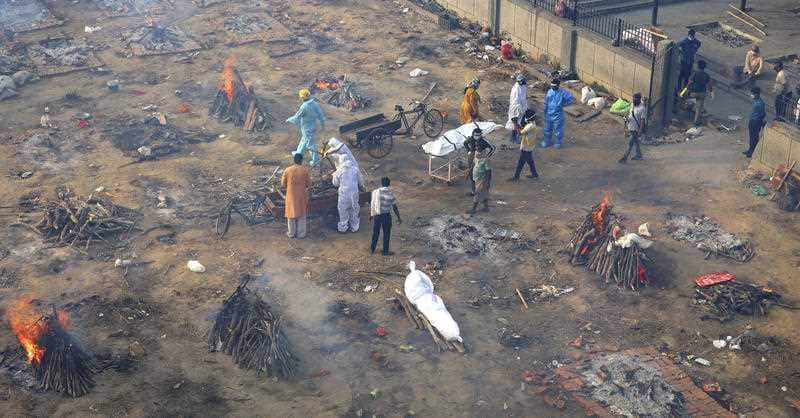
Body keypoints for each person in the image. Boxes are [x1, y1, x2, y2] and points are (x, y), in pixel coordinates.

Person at [287, 88, 326, 166]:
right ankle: (298, 153)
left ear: (302, 97)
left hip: (306, 128)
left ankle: (316, 161)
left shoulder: (304, 107)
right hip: (312, 127)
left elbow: (297, 116)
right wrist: (322, 124)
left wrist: (289, 119)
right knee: (304, 140)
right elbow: (321, 115)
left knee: (310, 144)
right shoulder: (315, 104)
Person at [369, 177, 402, 256]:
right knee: (386, 233)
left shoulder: (375, 192)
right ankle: (385, 251)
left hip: (377, 215)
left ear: (381, 183)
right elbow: (395, 207)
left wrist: (371, 215)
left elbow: (373, 204)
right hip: (386, 216)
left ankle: (372, 249)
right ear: (389, 184)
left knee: (375, 232)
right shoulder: (390, 194)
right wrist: (399, 218)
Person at [281, 153, 310, 239]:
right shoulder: (305, 170)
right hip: (301, 196)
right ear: (301, 161)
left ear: (294, 160)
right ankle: (301, 234)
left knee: (290, 215)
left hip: (291, 196)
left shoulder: (287, 170)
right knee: (302, 215)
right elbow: (309, 184)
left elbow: (283, 184)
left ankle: (291, 233)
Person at [332, 156, 364, 233]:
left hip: (344, 195)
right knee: (354, 209)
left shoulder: (339, 171)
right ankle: (354, 227)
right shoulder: (355, 169)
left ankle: (343, 228)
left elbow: (335, 184)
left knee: (343, 211)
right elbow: (361, 181)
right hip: (354, 194)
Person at [540, 79, 574, 149]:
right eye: (551, 86)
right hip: (549, 113)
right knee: (547, 128)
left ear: (558, 86)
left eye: (554, 86)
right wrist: (545, 110)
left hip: (558, 115)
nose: (552, 87)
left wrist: (563, 104)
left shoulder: (563, 92)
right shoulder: (549, 92)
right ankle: (547, 140)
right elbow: (546, 102)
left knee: (558, 129)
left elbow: (571, 99)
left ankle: (558, 142)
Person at [508, 109, 539, 181]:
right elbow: (523, 130)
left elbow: (520, 133)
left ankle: (516, 176)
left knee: (521, 162)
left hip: (526, 147)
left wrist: (515, 123)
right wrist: (517, 125)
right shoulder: (532, 124)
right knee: (530, 161)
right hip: (529, 146)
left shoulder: (530, 125)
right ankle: (534, 174)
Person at [463, 128, 494, 195]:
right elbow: (465, 143)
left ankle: (481, 191)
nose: (477, 136)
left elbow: (493, 148)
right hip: (472, 157)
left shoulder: (483, 141)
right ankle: (474, 191)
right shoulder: (471, 139)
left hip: (480, 158)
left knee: (481, 175)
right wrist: (468, 151)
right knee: (472, 174)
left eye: (478, 135)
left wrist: (487, 156)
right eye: (475, 135)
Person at [618, 93, 647, 163]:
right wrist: (626, 119)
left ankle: (624, 157)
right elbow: (630, 114)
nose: (633, 100)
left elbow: (642, 120)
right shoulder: (632, 105)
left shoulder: (642, 108)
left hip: (636, 129)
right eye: (633, 98)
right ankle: (639, 155)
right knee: (636, 142)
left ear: (639, 99)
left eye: (635, 99)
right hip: (630, 126)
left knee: (630, 144)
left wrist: (640, 130)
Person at [685, 60, 713, 126]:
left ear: (698, 66)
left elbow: (690, 83)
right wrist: (711, 92)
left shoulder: (695, 73)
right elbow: (709, 85)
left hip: (694, 93)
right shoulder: (706, 75)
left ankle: (688, 108)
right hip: (702, 93)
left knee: (688, 100)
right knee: (699, 108)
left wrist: (685, 90)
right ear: (704, 67)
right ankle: (696, 122)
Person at [743, 87, 766, 158]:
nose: (751, 95)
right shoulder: (755, 100)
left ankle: (753, 151)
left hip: (756, 122)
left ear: (757, 94)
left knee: (754, 137)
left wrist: (760, 122)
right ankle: (750, 149)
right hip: (752, 120)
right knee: (751, 136)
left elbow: (763, 114)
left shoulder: (760, 103)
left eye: (753, 94)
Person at [468, 147, 492, 215]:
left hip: (482, 179)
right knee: (484, 193)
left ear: (483, 152)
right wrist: (468, 172)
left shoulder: (486, 160)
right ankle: (486, 207)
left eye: (479, 152)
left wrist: (487, 182)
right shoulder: (476, 157)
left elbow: (489, 172)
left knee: (477, 193)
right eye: (477, 151)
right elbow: (473, 164)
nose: (477, 153)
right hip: (476, 178)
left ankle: (473, 209)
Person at [506, 74, 528, 144]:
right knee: (515, 123)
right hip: (515, 108)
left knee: (521, 122)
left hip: (521, 106)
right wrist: (520, 108)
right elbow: (516, 101)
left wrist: (525, 107)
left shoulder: (523, 86)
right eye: (523, 81)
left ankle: (518, 135)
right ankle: (513, 138)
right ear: (520, 81)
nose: (525, 82)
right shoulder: (516, 89)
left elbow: (524, 97)